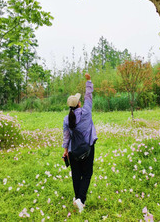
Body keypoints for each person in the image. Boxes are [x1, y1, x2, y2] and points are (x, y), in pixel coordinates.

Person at [62, 73, 97, 213]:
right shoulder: (86, 112)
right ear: (79, 104)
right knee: (87, 174)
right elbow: (89, 96)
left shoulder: (66, 119)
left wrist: (65, 151)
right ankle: (81, 200)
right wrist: (88, 81)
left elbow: (66, 137)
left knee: (76, 175)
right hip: (88, 147)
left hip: (73, 150)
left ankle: (77, 198)